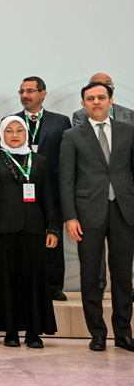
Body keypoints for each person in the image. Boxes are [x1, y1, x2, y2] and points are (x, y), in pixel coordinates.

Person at [60, 81, 134, 353]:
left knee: (123, 275)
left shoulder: (129, 131)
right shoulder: (72, 136)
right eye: (90, 99)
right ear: (83, 105)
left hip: (124, 212)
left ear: (111, 100)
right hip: (87, 214)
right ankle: (97, 333)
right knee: (91, 276)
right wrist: (69, 216)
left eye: (101, 97)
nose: (96, 102)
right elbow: (66, 180)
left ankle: (124, 333)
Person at [0, 116, 59, 348]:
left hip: (34, 229)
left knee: (34, 280)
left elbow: (48, 199)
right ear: (2, 134)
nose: (14, 135)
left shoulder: (40, 161)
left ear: (27, 134)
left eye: (19, 130)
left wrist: (52, 228)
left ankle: (34, 332)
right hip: (3, 229)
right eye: (9, 130)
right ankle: (10, 331)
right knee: (6, 279)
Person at [16, 76, 71, 301]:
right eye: (21, 92)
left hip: (53, 191)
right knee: (23, 240)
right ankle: (24, 285)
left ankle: (54, 286)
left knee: (53, 237)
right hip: (19, 190)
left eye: (30, 91)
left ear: (43, 93)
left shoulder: (61, 121)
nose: (25, 96)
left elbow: (67, 159)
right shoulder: (11, 121)